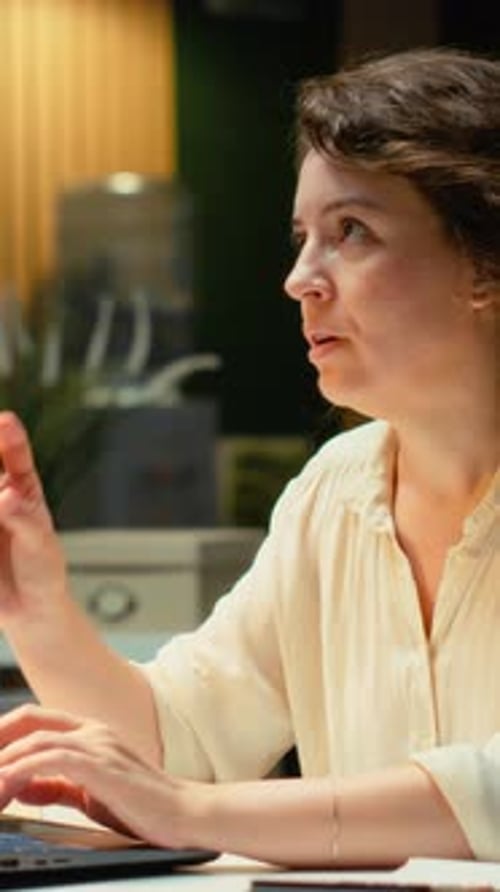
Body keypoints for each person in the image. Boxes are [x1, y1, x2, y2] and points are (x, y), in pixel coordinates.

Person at [0, 45, 498, 868]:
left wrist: (199, 810)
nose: (302, 277)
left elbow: (491, 788)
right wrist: (35, 609)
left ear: (484, 262)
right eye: (304, 237)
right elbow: (182, 743)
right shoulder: (333, 492)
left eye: (353, 231)